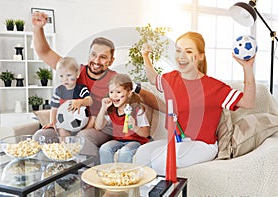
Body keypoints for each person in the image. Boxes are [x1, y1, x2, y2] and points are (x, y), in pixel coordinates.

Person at [31, 12, 165, 156]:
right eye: (93, 55)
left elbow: (143, 94)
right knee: (40, 136)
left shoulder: (115, 79)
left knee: (83, 137)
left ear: (111, 61)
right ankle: (52, 175)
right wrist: (38, 28)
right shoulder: (74, 71)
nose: (96, 60)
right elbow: (44, 52)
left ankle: (89, 174)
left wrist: (171, 110)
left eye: (103, 57)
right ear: (88, 54)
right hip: (69, 123)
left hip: (98, 127)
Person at [134, 31, 256, 175]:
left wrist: (247, 68)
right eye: (178, 51)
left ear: (200, 56)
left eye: (188, 51)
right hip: (179, 142)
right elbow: (153, 78)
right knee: (142, 153)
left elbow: (248, 102)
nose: (181, 56)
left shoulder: (214, 87)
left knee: (163, 159)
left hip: (203, 146)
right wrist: (145, 55)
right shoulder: (171, 79)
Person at [95, 74, 150, 163]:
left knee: (125, 152)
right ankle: (109, 174)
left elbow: (146, 134)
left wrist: (134, 127)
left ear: (129, 93)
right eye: (111, 92)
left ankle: (123, 175)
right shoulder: (111, 110)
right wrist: (103, 108)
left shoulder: (136, 110)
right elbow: (98, 127)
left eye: (118, 92)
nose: (114, 96)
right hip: (118, 141)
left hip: (136, 141)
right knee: (104, 149)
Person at [33, 57, 93, 139]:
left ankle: (77, 144)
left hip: (81, 122)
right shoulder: (59, 91)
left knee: (84, 133)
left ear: (77, 74)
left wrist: (80, 102)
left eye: (68, 75)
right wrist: (52, 122)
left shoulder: (81, 89)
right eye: (61, 76)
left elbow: (90, 101)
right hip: (64, 123)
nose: (65, 79)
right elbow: (54, 108)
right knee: (62, 132)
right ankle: (65, 148)